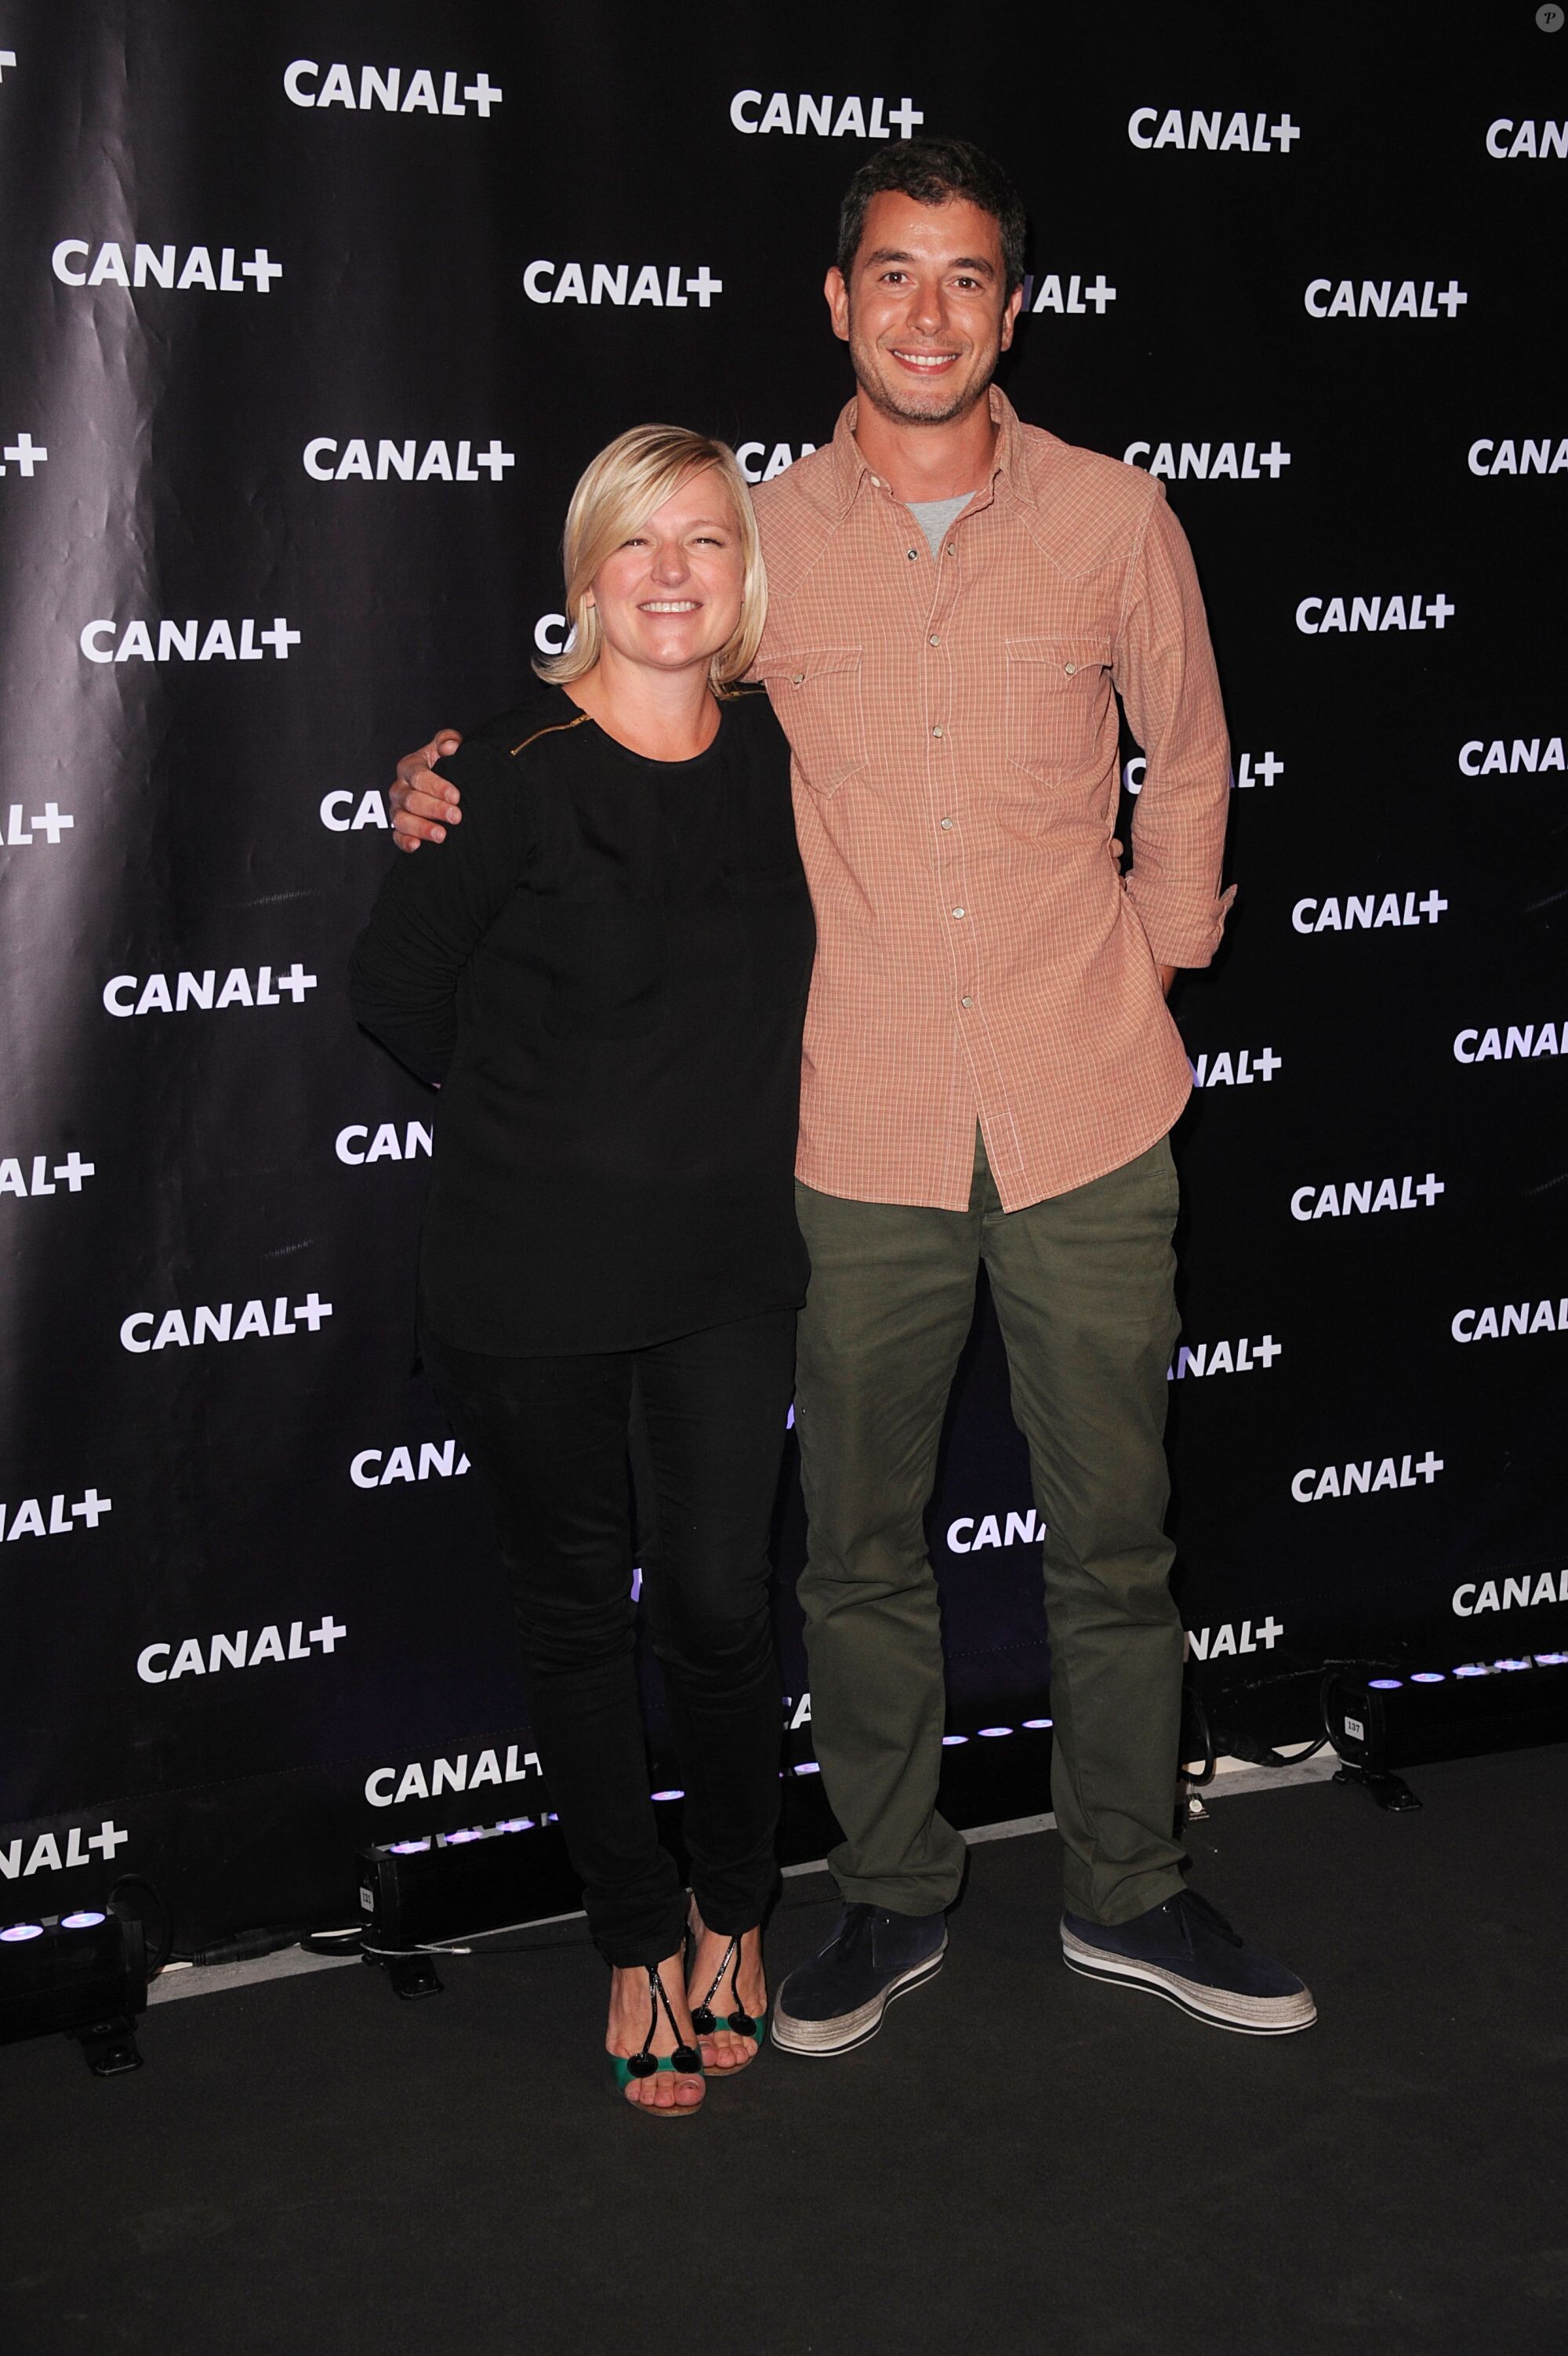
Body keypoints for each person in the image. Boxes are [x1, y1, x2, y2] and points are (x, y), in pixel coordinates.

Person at [386, 140, 1316, 2048]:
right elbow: (628, 688)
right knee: (857, 1553)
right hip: (849, 1129)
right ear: (837, 300)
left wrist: (1145, 967)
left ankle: (1130, 1886)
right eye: (893, 272)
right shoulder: (758, 535)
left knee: (1114, 1540)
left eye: (965, 277)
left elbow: (1193, 753)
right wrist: (454, 772)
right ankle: (889, 1896)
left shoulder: (1117, 514)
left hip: (1088, 1109)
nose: (926, 311)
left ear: (1012, 308)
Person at [350, 426, 815, 2113]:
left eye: (706, 539)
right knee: (572, 1613)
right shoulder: (504, 773)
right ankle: (631, 1937)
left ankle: (734, 1912)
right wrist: (551, 1113)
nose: (672, 572)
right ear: (586, 577)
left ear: (744, 575)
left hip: (728, 1267)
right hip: (530, 1273)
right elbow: (396, 996)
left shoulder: (792, 753)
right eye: (638, 541)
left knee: (716, 1605)